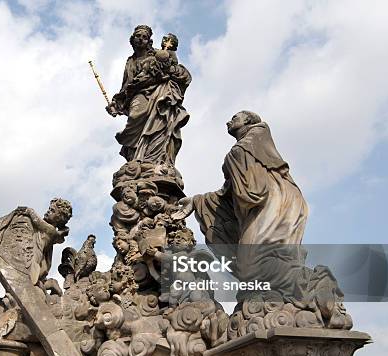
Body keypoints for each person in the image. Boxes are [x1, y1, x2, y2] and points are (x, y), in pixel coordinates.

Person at [173, 111, 309, 299]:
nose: (229, 121)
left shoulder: (252, 139)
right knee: (251, 261)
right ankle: (279, 296)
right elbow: (231, 191)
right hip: (269, 202)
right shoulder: (246, 148)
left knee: (254, 258)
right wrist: (197, 201)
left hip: (277, 201)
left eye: (235, 118)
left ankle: (295, 291)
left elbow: (251, 191)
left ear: (248, 121)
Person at [106, 25, 191, 167]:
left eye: (144, 37)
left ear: (149, 41)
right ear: (132, 40)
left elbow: (182, 73)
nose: (141, 39)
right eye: (138, 36)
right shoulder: (130, 62)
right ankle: (135, 156)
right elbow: (126, 87)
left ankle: (150, 159)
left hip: (157, 95)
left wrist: (168, 69)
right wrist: (117, 105)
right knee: (134, 117)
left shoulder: (158, 54)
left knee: (157, 124)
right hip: (137, 94)